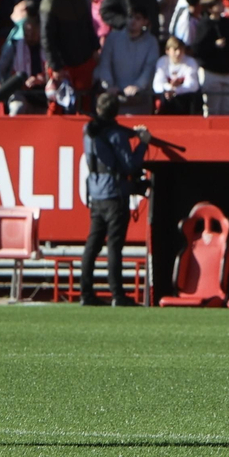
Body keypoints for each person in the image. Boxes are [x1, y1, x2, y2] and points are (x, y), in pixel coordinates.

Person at [79, 93, 151, 307]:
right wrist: (143, 143)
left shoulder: (89, 131)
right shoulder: (116, 135)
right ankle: (117, 294)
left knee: (92, 245)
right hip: (115, 195)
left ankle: (86, 292)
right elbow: (130, 165)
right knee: (114, 247)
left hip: (96, 194)